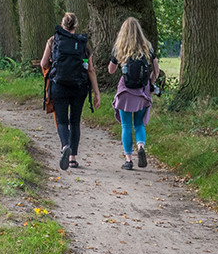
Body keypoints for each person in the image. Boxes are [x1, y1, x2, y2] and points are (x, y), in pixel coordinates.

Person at [41, 12, 101, 171]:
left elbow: (43, 63)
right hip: (79, 87)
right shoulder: (83, 44)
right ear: (75, 25)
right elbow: (91, 70)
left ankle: (65, 145)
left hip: (59, 85)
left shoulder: (53, 41)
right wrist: (97, 92)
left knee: (62, 120)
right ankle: (73, 158)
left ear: (63, 24)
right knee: (75, 121)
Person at [108, 17, 160, 171]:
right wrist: (149, 82)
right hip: (142, 92)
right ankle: (141, 146)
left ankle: (128, 160)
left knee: (126, 125)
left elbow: (110, 70)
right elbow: (156, 70)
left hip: (125, 91)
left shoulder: (120, 48)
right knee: (139, 124)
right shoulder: (147, 47)